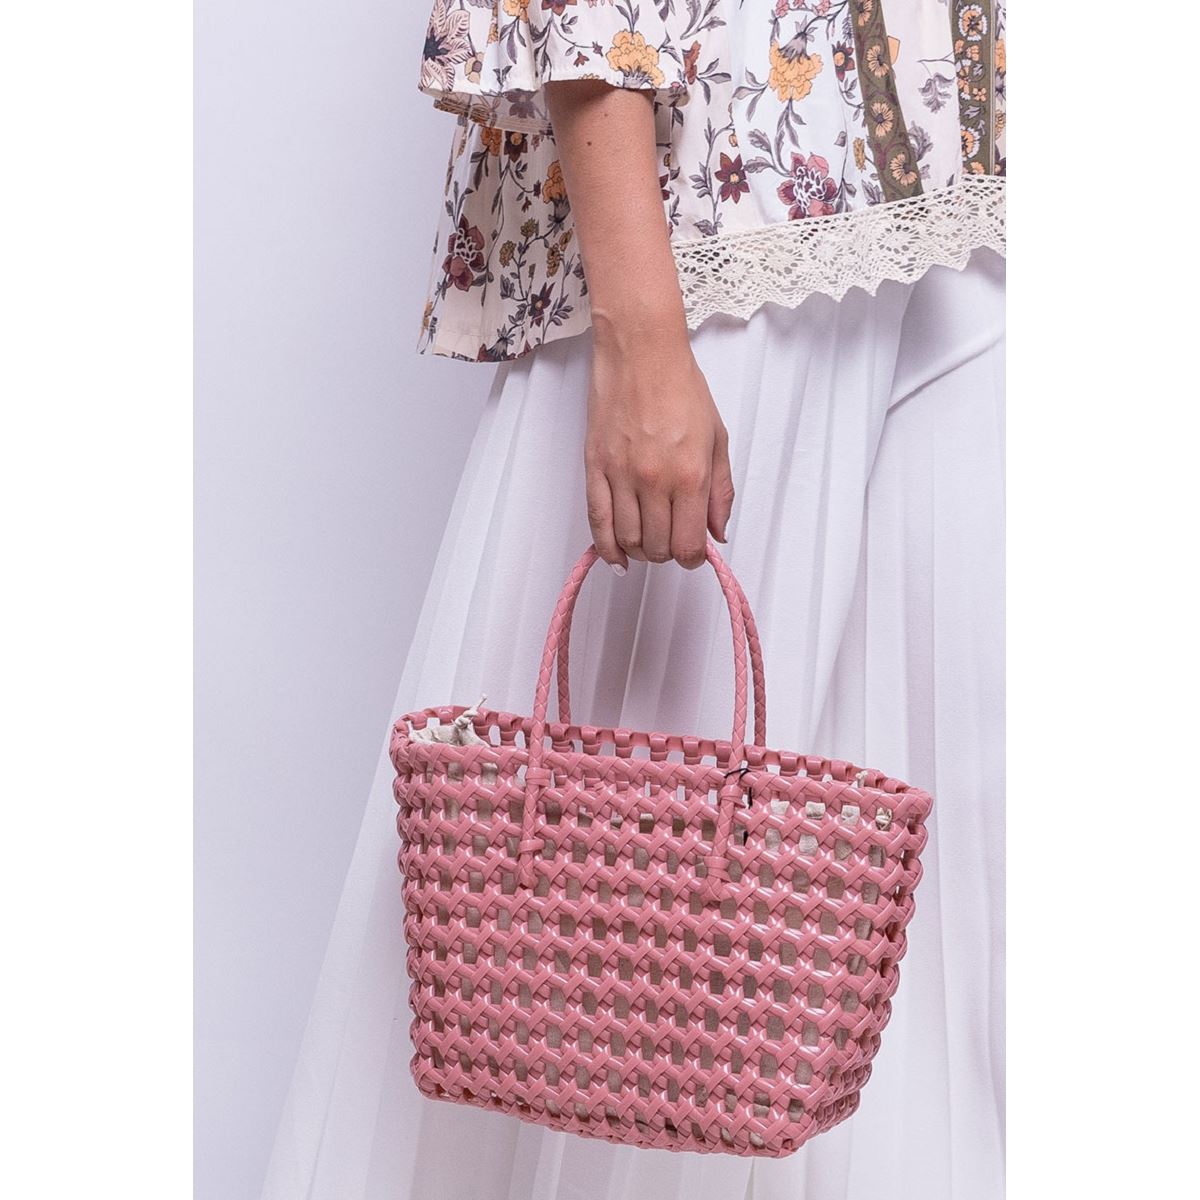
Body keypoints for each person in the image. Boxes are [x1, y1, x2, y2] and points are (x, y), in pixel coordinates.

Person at [263, 2, 1005, 1197]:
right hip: (738, 209)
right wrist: (640, 328)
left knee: (947, 939)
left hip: (973, 209)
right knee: (639, 958)